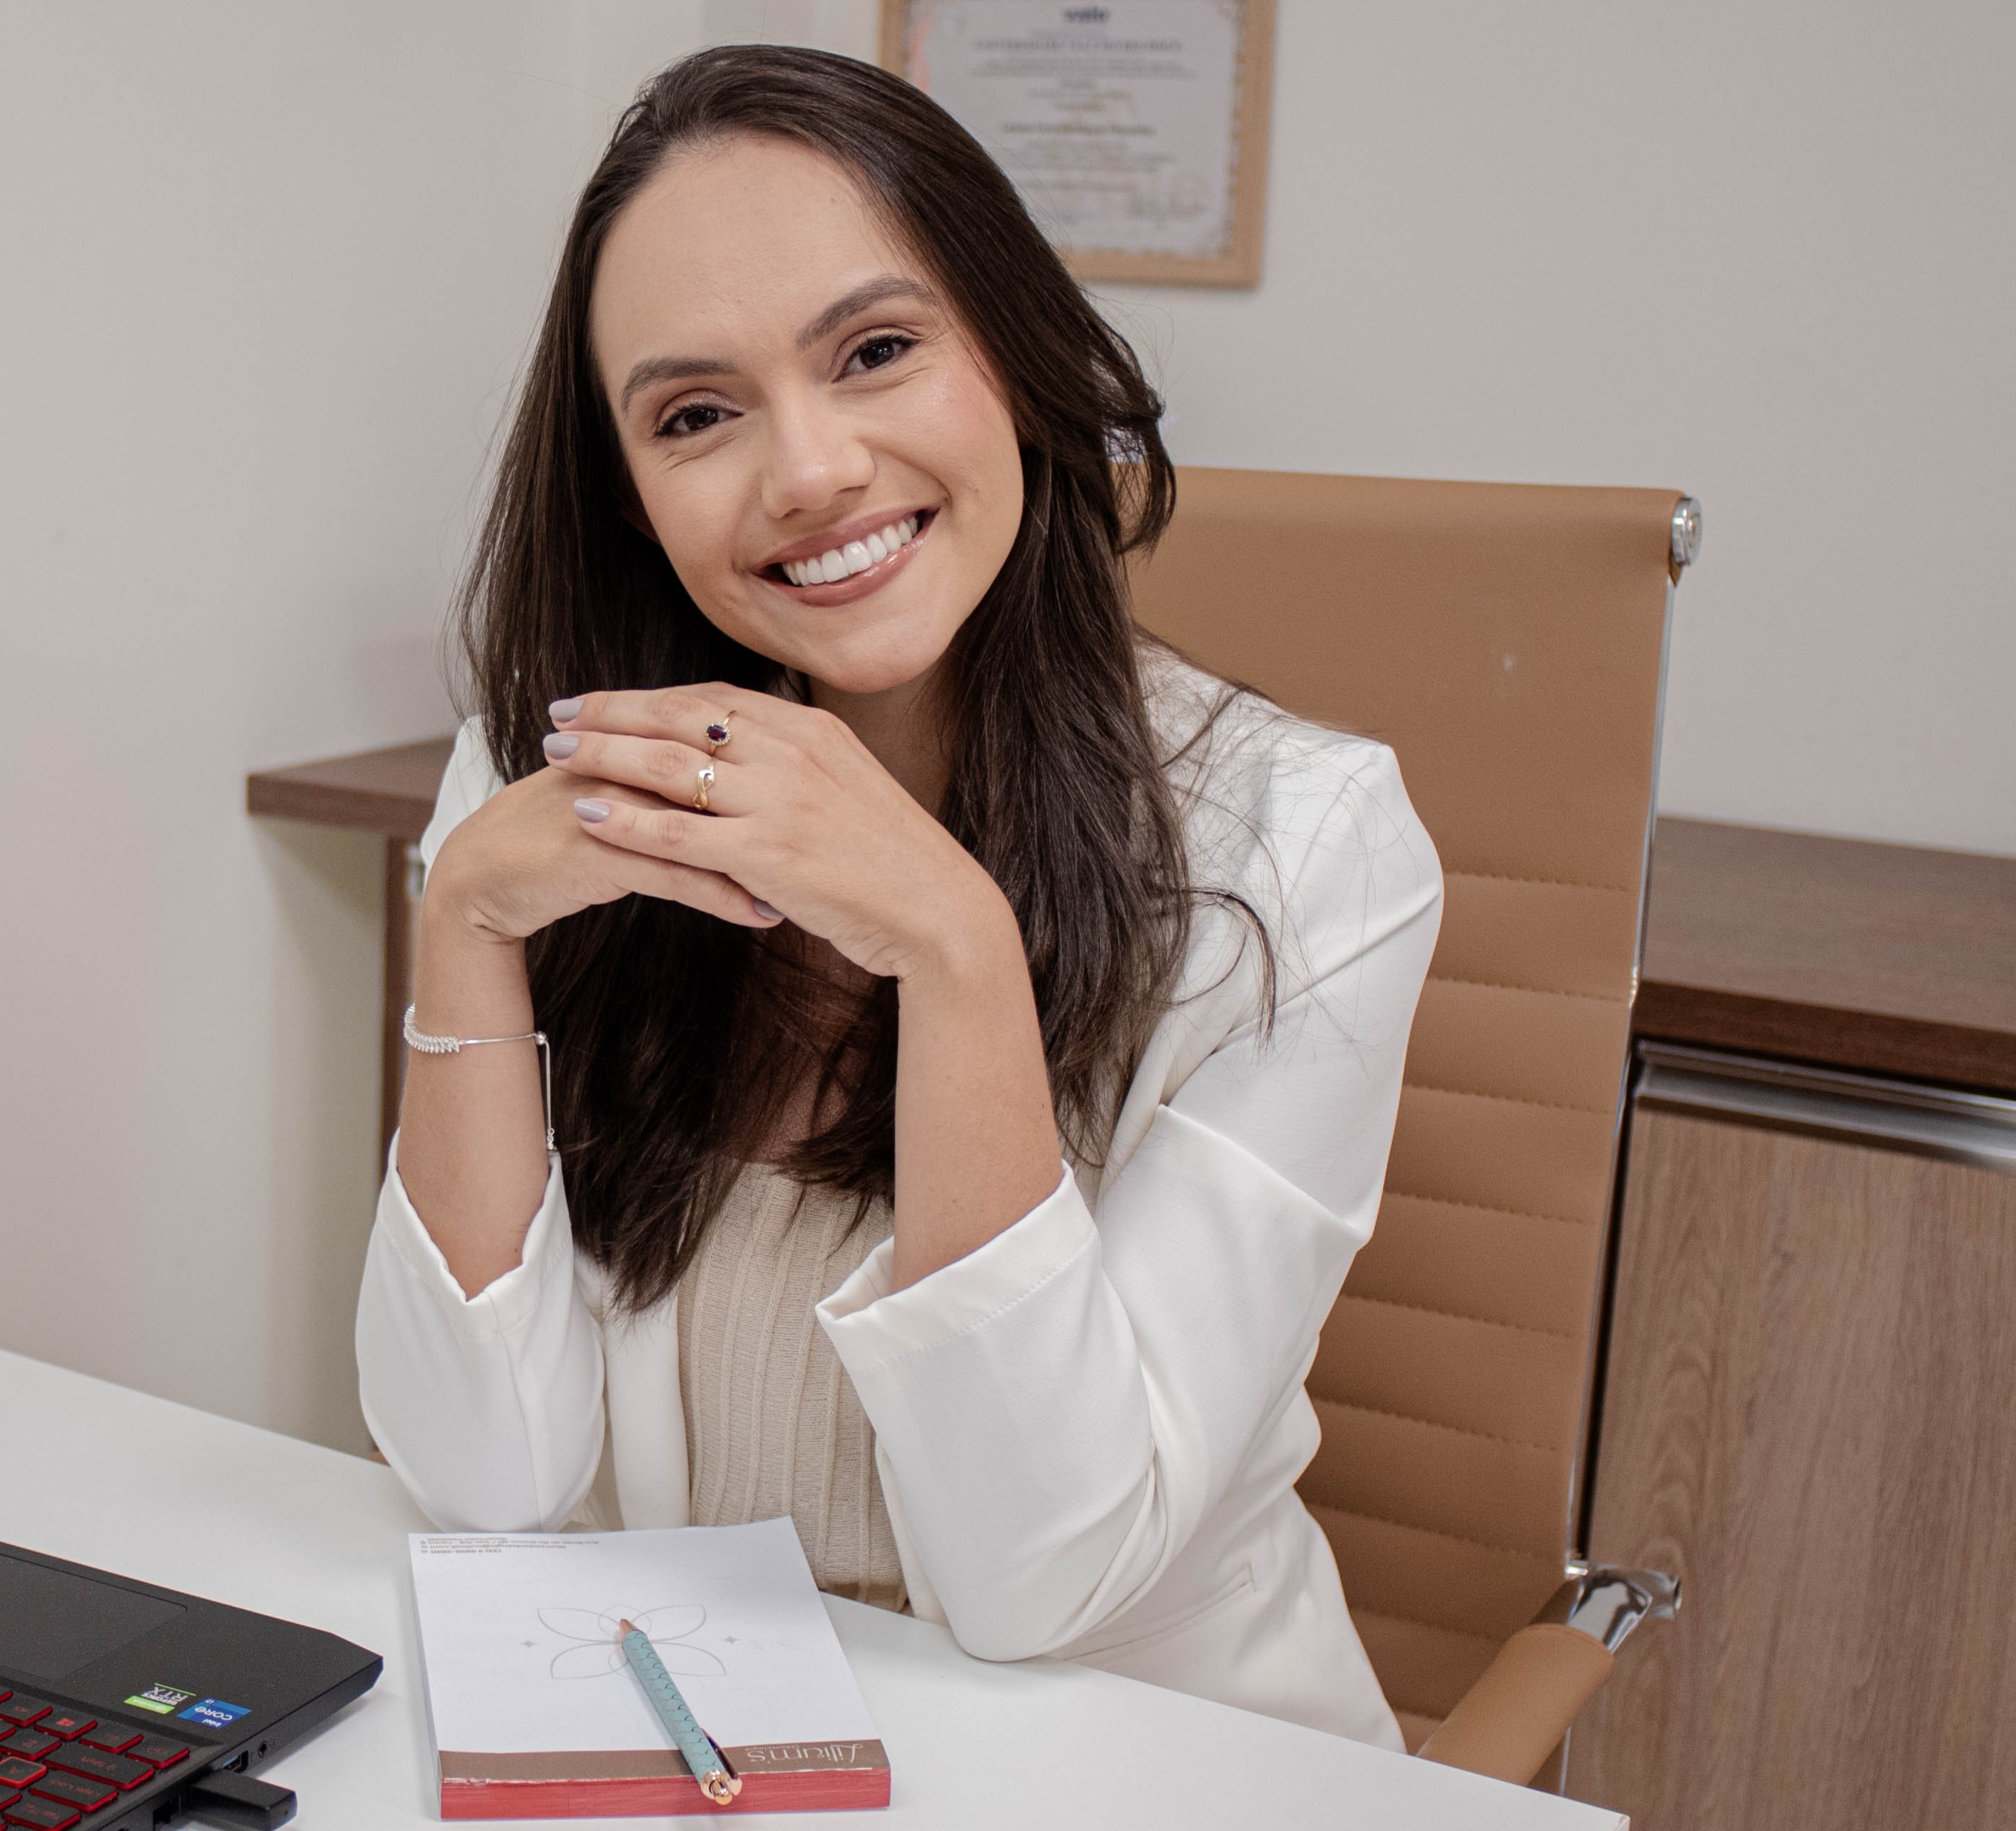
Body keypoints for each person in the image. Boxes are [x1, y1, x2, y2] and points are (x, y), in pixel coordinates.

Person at [354, 44, 1439, 1750]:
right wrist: (465, 931)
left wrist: (953, 943)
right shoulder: (562, 779)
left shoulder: (1311, 841)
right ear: (631, 488)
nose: (808, 470)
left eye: (874, 351)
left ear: (1012, 350)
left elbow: (1041, 1579)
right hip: (685, 1728)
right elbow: (478, 1474)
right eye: (696, 413)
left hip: (1127, 1753)